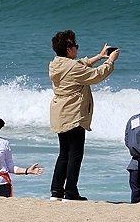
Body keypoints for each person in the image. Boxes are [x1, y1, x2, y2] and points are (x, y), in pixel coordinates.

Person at [48, 30, 118, 201]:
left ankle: (56, 191)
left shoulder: (56, 64)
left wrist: (99, 56)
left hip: (60, 112)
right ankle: (70, 192)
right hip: (74, 114)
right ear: (68, 48)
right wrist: (110, 61)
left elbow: (80, 64)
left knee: (64, 153)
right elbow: (95, 76)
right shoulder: (72, 67)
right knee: (75, 154)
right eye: (75, 45)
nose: (77, 48)